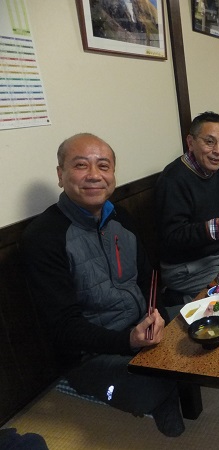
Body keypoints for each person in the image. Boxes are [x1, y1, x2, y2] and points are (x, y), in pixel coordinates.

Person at [21, 133, 185, 437]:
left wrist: (158, 318)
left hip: (140, 326)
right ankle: (163, 390)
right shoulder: (43, 237)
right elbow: (63, 327)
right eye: (81, 165)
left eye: (103, 166)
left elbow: (148, 279)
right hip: (91, 354)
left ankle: (168, 374)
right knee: (151, 384)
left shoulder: (121, 217)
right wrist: (129, 341)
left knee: (200, 320)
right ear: (60, 175)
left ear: (113, 174)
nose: (94, 175)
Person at [156, 112, 219, 298]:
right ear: (191, 143)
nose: (218, 151)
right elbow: (172, 236)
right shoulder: (173, 179)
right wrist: (217, 226)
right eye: (209, 142)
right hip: (189, 268)